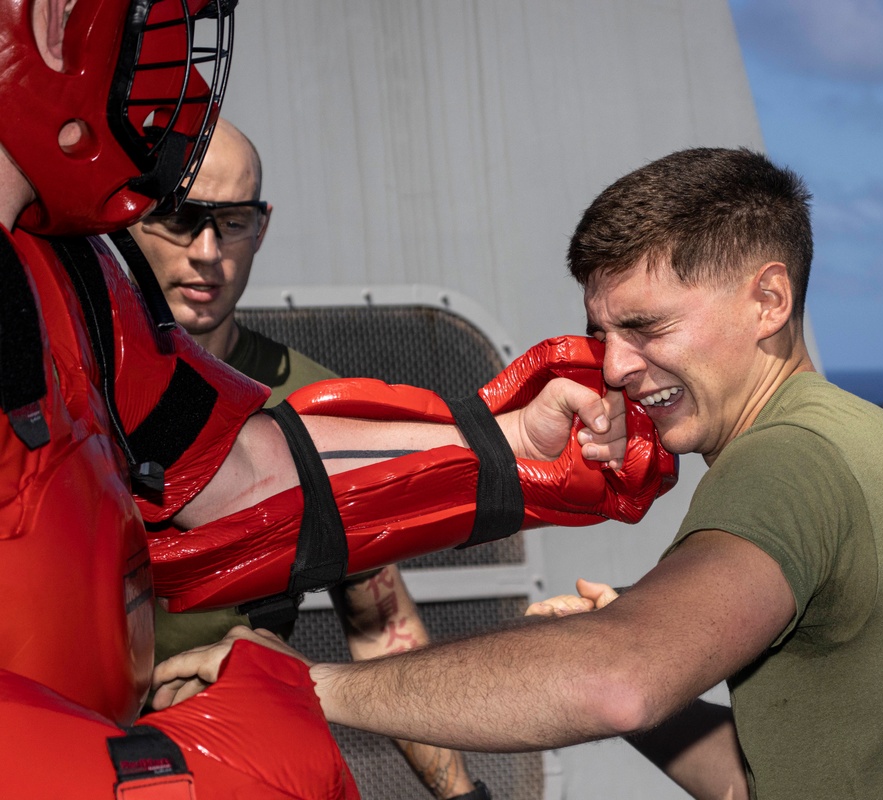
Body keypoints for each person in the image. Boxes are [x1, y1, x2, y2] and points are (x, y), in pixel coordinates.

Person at [155, 147, 883, 800]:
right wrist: (657, 651)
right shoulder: (862, 438)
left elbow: (615, 680)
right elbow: (753, 781)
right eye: (601, 333)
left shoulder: (789, 459)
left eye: (646, 326)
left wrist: (310, 684)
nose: (617, 366)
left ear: (769, 301)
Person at [0, 1, 673, 796]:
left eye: (233, 223)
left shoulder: (71, 279)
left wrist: (515, 447)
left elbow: (235, 477)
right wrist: (173, 774)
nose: (166, 50)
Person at [131, 117, 488, 800]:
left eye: (231, 223)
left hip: (229, 753)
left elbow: (379, 621)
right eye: (180, 219)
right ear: (132, 218)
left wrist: (461, 796)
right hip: (55, 731)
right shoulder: (62, 374)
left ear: (261, 229)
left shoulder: (310, 404)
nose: (207, 252)